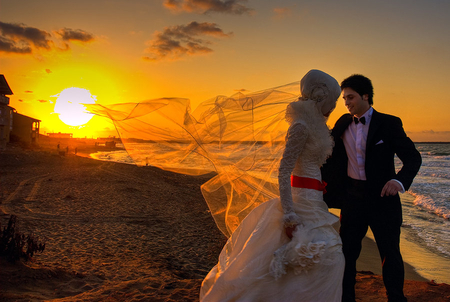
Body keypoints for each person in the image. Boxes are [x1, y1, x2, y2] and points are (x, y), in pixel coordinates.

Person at [200, 70, 345, 302]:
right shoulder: (300, 126)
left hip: (316, 201)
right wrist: (289, 214)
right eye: (333, 100)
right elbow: (284, 170)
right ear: (320, 96)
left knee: (322, 258)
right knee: (328, 255)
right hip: (300, 202)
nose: (335, 106)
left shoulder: (315, 124)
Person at [322, 74, 422, 302]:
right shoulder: (342, 123)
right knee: (346, 253)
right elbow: (327, 155)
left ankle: (396, 298)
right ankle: (346, 298)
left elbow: (413, 158)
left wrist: (398, 182)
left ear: (366, 96)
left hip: (383, 200)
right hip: (352, 199)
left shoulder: (389, 123)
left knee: (390, 254)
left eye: (351, 97)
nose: (346, 102)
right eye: (344, 98)